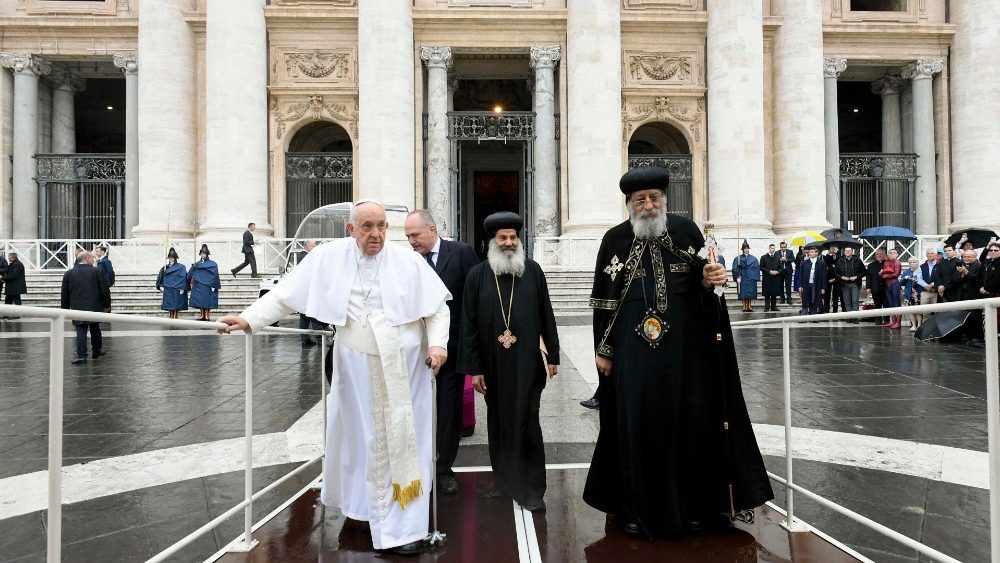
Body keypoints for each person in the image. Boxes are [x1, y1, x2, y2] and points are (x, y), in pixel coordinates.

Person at [218, 200, 451, 556]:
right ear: (351, 229)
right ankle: (365, 510)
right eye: (368, 227)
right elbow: (284, 295)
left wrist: (437, 346)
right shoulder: (327, 258)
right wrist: (250, 318)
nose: (376, 235)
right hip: (355, 367)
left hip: (406, 370)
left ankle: (403, 529)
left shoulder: (407, 261)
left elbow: (437, 308)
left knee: (405, 442)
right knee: (361, 441)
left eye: (382, 227)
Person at [583, 166, 772, 539]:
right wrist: (604, 351)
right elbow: (603, 302)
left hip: (689, 355)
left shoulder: (687, 232)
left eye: (654, 198)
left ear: (664, 200)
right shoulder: (614, 240)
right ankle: (636, 509)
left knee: (693, 425)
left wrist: (709, 280)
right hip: (634, 357)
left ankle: (699, 507)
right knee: (637, 427)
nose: (649, 205)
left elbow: (707, 284)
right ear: (630, 205)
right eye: (641, 200)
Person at [459, 211, 559, 512]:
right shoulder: (477, 275)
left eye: (513, 237)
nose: (508, 243)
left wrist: (552, 355)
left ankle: (533, 489)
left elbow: (546, 315)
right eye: (502, 238)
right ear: (492, 241)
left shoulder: (534, 271)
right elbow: (469, 325)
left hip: (527, 364)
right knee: (499, 423)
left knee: (528, 422)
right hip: (492, 367)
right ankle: (504, 483)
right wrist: (474, 369)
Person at [404, 209, 478, 495]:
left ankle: (443, 468)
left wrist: (474, 350)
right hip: (415, 351)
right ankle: (417, 466)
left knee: (448, 411)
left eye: (415, 235)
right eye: (407, 236)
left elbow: (474, 299)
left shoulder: (460, 253)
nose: (411, 241)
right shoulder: (408, 262)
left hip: (453, 351)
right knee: (417, 410)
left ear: (432, 230)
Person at [61, 251, 111, 364]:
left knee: (80, 331)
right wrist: (107, 305)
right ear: (88, 258)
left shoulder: (69, 273)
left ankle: (82, 356)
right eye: (92, 258)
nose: (94, 260)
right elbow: (105, 290)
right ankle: (96, 350)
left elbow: (64, 294)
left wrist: (64, 309)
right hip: (94, 306)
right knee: (95, 328)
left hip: (77, 307)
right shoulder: (97, 271)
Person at [295, 241, 326, 346]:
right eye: (313, 245)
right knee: (313, 314)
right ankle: (320, 340)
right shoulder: (305, 256)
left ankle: (305, 340)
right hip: (308, 291)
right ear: (306, 246)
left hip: (306, 292)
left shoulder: (305, 255)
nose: (315, 247)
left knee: (304, 317)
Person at [188, 244, 222, 321]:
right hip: (199, 285)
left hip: (208, 286)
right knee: (200, 301)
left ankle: (207, 315)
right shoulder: (197, 264)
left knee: (207, 301)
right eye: (202, 253)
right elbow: (190, 273)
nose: (203, 255)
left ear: (207, 254)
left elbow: (215, 275)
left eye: (204, 253)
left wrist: (214, 285)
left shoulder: (213, 264)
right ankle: (202, 315)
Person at [156, 247, 188, 320]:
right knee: (170, 303)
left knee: (176, 303)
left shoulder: (181, 267)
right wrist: (161, 285)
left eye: (172, 258)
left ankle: (175, 315)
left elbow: (183, 277)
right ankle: (170, 315)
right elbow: (161, 276)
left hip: (176, 287)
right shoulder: (165, 267)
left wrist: (182, 287)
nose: (171, 259)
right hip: (168, 287)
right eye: (170, 258)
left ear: (175, 258)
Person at [835, 246, 865, 322]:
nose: (847, 252)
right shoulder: (840, 260)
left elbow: (864, 271)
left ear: (852, 251)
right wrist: (842, 277)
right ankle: (850, 317)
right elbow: (835, 273)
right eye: (846, 251)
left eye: (849, 250)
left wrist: (856, 277)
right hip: (844, 284)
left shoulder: (857, 260)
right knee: (847, 301)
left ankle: (855, 317)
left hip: (855, 283)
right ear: (844, 252)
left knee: (855, 300)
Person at [732, 241, 759, 312]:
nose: (746, 250)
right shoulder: (738, 258)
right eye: (745, 249)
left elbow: (756, 268)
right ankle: (744, 306)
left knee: (750, 292)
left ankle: (749, 306)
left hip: (750, 277)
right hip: (742, 276)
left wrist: (755, 277)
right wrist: (737, 275)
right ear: (742, 249)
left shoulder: (753, 258)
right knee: (743, 292)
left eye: (747, 248)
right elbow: (735, 268)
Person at [799, 246, 826, 315]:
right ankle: (803, 316)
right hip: (806, 284)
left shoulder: (821, 263)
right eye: (809, 252)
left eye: (812, 252)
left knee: (814, 300)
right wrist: (800, 286)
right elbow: (801, 275)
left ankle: (813, 316)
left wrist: (823, 287)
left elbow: (823, 276)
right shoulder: (804, 263)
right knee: (805, 300)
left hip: (816, 285)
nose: (810, 253)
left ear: (816, 253)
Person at [880, 248, 903, 329]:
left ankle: (898, 322)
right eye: (890, 253)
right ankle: (893, 321)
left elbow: (896, 274)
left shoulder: (897, 262)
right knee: (890, 303)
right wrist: (882, 273)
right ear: (888, 255)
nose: (892, 254)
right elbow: (885, 273)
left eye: (894, 253)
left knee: (897, 303)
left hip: (894, 284)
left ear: (897, 255)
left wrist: (886, 275)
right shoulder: (886, 263)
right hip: (887, 284)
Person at [865, 248, 887, 324]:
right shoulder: (871, 265)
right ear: (875, 255)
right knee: (877, 304)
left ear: (884, 255)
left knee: (886, 304)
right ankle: (878, 320)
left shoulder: (887, 264)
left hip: (886, 288)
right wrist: (868, 287)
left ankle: (886, 320)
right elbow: (868, 277)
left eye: (881, 254)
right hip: (875, 288)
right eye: (878, 254)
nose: (879, 255)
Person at [900, 258, 922, 332]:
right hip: (908, 294)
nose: (913, 263)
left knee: (918, 311)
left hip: (917, 294)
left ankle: (919, 325)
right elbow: (900, 283)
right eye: (911, 262)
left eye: (914, 262)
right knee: (911, 311)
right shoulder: (906, 272)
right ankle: (913, 325)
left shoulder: (920, 271)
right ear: (909, 264)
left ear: (917, 263)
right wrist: (905, 279)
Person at [759, 244, 783, 312]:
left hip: (775, 277)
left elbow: (781, 268)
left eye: (774, 248)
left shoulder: (778, 257)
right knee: (767, 293)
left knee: (774, 293)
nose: (773, 249)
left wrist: (777, 272)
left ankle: (773, 307)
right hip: (767, 277)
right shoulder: (764, 257)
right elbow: (761, 267)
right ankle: (766, 307)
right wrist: (769, 271)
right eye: (772, 248)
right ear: (769, 249)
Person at [822, 245, 841, 313]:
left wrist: (835, 258)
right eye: (831, 250)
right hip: (828, 278)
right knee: (827, 295)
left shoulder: (839, 258)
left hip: (836, 278)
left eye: (834, 250)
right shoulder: (827, 257)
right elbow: (825, 266)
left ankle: (835, 310)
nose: (832, 251)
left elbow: (839, 269)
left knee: (835, 295)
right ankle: (826, 309)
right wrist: (828, 255)